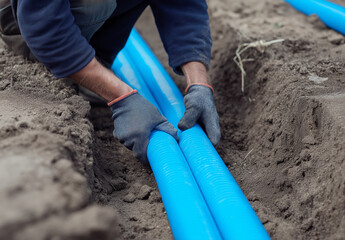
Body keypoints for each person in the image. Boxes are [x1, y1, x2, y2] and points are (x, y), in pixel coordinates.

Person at [0, 0, 220, 164]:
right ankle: (68, 70)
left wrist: (198, 83)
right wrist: (121, 97)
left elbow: (182, 5)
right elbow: (44, 24)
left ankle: (95, 60)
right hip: (30, 26)